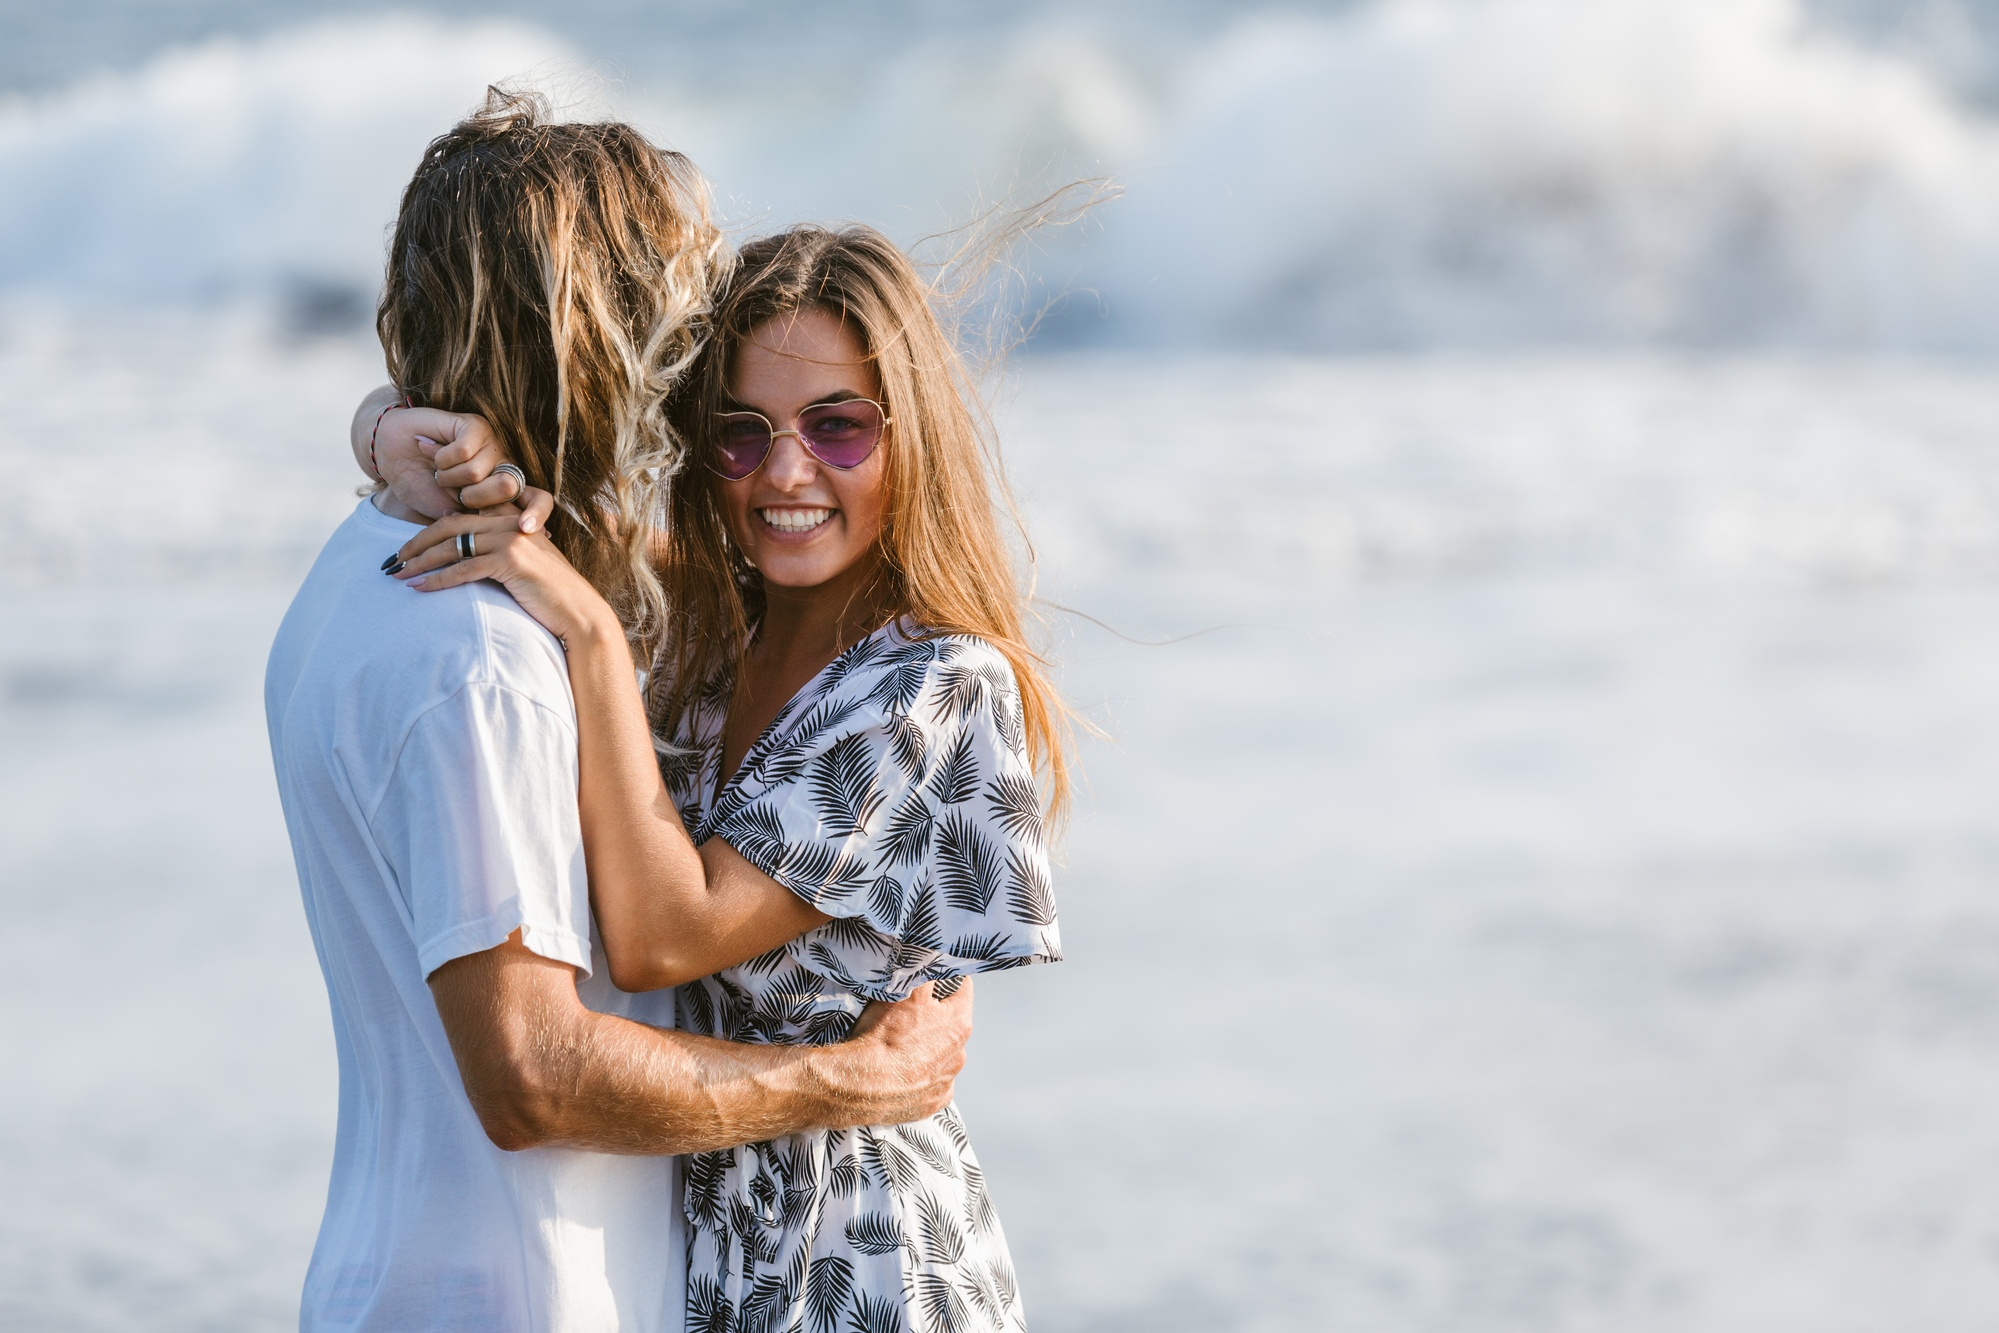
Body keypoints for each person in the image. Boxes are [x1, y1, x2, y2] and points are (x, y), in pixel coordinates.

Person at [268, 95, 973, 1333]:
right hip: (524, 1297)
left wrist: (384, 425)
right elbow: (533, 1074)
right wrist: (845, 1080)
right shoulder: (480, 659)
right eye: (669, 329)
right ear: (599, 341)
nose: (684, 371)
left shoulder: (372, 575)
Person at [371, 224, 1069, 1332]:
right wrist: (380, 425)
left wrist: (596, 641)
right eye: (742, 434)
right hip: (709, 1237)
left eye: (836, 427)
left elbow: (664, 933)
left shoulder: (931, 683)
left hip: (865, 1256)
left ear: (911, 436)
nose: (786, 473)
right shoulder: (711, 622)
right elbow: (525, 484)